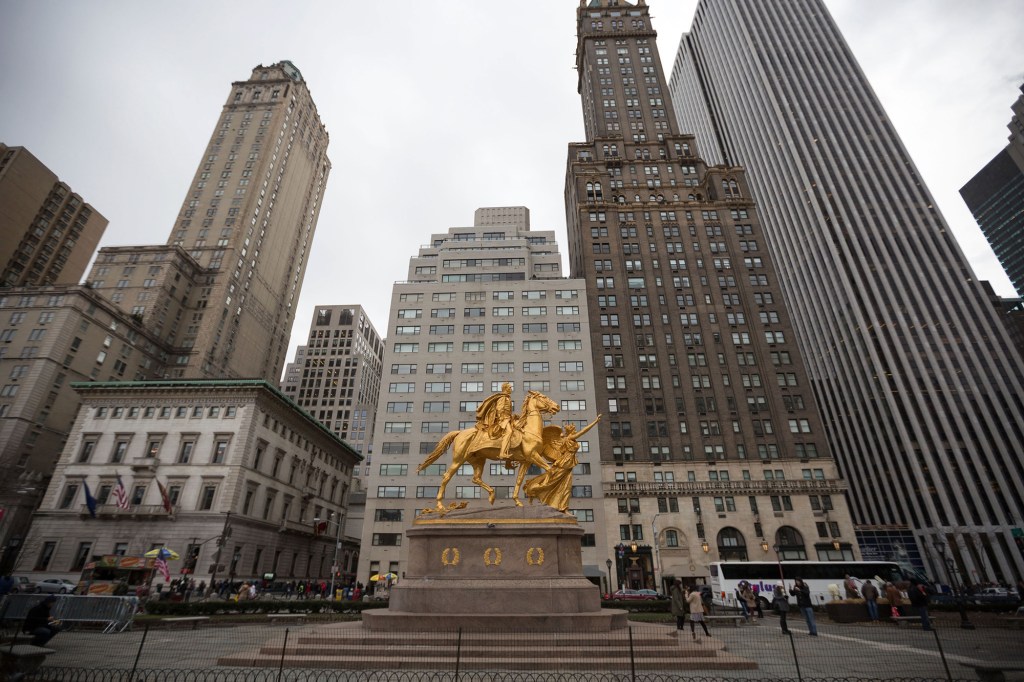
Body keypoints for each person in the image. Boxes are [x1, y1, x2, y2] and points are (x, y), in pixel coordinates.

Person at [523, 416, 601, 511]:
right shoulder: (570, 438)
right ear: (570, 432)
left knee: (566, 487)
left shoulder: (568, 439)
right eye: (574, 430)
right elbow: (583, 431)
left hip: (568, 466)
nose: (575, 431)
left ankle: (563, 508)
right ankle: (533, 489)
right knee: (552, 482)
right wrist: (594, 422)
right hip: (564, 464)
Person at [476, 382, 516, 459]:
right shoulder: (503, 398)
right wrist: (502, 419)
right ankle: (502, 453)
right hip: (503, 419)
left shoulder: (507, 398)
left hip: (508, 418)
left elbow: (507, 410)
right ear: (505, 389)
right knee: (509, 432)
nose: (511, 389)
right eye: (510, 387)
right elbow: (499, 408)